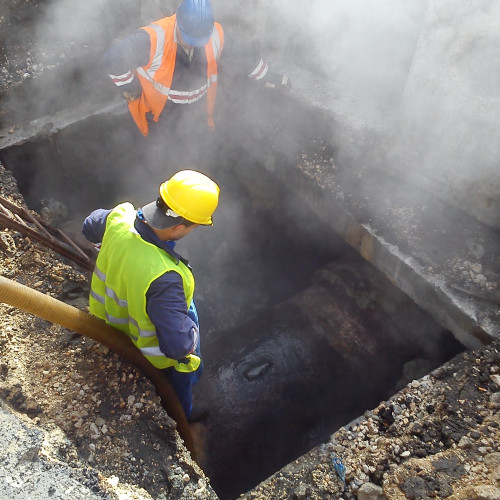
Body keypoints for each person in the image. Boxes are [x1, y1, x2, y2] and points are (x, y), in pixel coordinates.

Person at [82, 169, 219, 420]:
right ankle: (182, 420)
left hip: (110, 323)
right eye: (194, 226)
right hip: (150, 353)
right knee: (180, 382)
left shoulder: (121, 217)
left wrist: (110, 248)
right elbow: (177, 347)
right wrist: (191, 336)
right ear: (178, 228)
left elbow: (90, 224)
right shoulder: (164, 279)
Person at [103, 0, 291, 139]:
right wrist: (131, 86)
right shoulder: (153, 38)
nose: (192, 45)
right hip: (157, 119)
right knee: (159, 169)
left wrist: (274, 77)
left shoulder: (216, 35)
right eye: (189, 38)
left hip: (195, 117)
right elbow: (112, 60)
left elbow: (247, 60)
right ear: (178, 21)